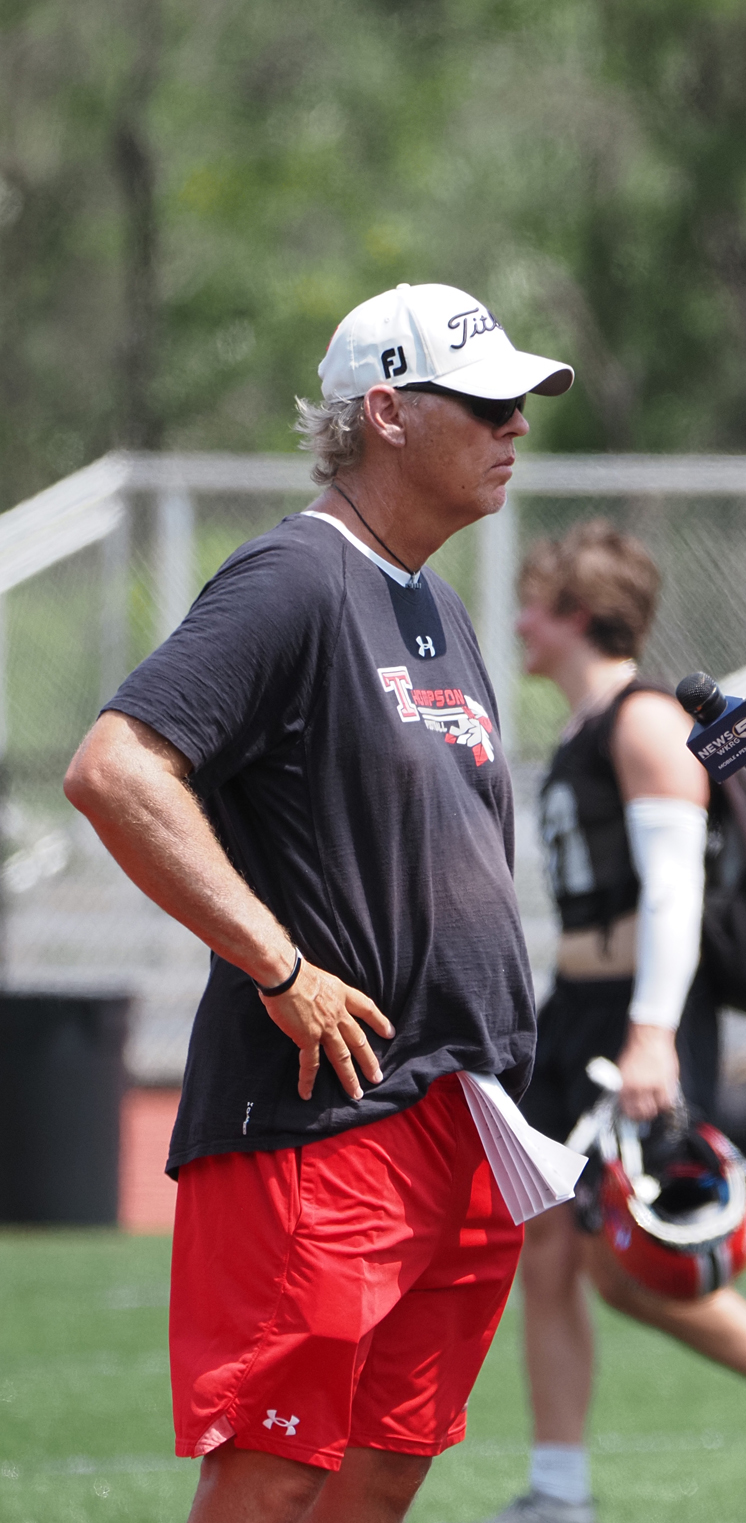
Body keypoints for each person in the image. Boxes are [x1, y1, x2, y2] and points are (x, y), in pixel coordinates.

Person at [62, 282, 574, 1523]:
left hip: (459, 1110)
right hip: (322, 1119)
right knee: (276, 1474)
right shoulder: (294, 575)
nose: (516, 427)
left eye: (522, 406)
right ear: (387, 412)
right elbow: (118, 769)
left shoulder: (434, 600)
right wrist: (279, 967)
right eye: (490, 402)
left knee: (382, 1466)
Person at [487, 521, 746, 1523]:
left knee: (629, 1261)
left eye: (534, 601)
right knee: (551, 1246)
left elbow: (671, 888)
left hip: (635, 1015)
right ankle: (559, 1489)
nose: (519, 621)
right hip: (578, 1009)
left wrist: (651, 1032)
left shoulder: (642, 722)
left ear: (576, 613)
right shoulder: (588, 728)